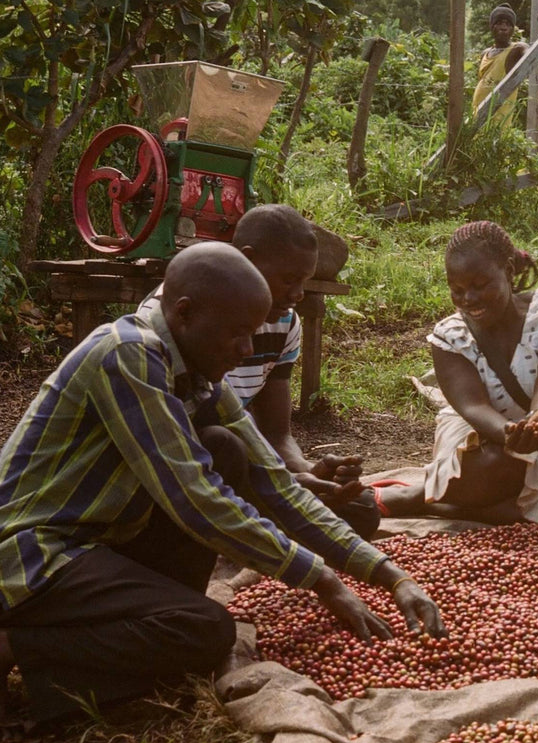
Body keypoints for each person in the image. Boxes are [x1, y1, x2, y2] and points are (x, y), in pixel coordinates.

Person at [0, 244, 445, 743]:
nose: (247, 351)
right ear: (184, 313)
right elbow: (197, 501)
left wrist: (386, 573)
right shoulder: (127, 356)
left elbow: (276, 483)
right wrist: (320, 580)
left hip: (89, 543)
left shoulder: (196, 374)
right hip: (21, 559)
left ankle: (154, 617)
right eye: (238, 334)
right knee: (205, 631)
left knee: (225, 448)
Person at [136, 203, 378, 537]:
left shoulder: (284, 321)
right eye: (289, 280)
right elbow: (181, 441)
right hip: (186, 461)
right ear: (249, 260)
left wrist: (306, 471)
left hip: (244, 460)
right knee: (223, 449)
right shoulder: (173, 319)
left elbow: (276, 434)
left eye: (305, 282)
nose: (297, 295)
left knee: (360, 510)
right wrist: (282, 485)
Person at [372, 222, 538, 525]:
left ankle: (435, 501)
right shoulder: (450, 338)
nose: (468, 299)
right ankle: (422, 495)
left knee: (534, 517)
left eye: (480, 285)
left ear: (509, 271)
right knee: (500, 464)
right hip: (476, 436)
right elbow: (473, 407)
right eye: (457, 290)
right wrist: (510, 436)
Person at [472, 4, 529, 119]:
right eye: (499, 23)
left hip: (498, 119)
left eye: (508, 24)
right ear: (492, 27)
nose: (503, 27)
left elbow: (529, 51)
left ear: (513, 29)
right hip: (477, 114)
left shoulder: (515, 50)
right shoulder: (486, 53)